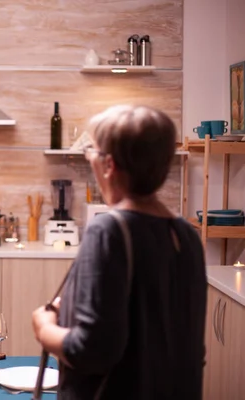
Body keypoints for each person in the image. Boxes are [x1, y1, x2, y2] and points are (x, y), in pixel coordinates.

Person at [32, 105, 207, 399]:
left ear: (109, 165)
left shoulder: (108, 230)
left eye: (93, 152)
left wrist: (44, 327)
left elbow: (92, 351)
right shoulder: (187, 235)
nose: (90, 160)